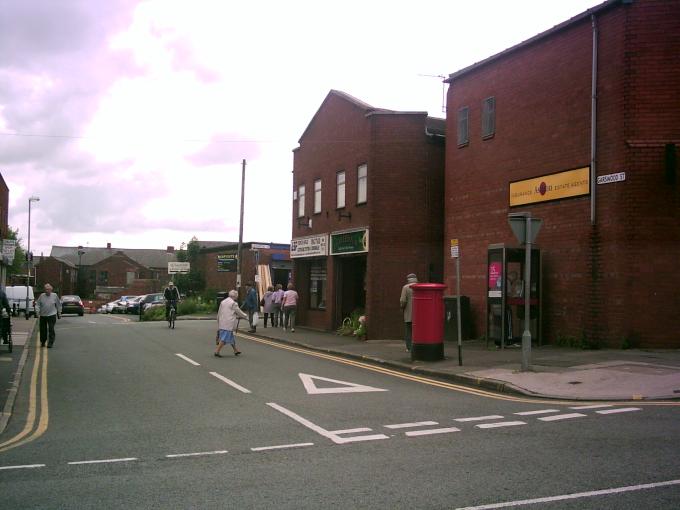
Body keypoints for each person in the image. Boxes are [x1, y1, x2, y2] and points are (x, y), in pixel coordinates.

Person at [215, 290, 248, 357]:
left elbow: (219, 312)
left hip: (222, 322)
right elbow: (239, 312)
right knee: (224, 339)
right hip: (228, 323)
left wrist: (218, 320)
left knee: (230, 337)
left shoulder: (223, 301)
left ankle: (235, 350)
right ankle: (217, 351)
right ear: (235, 296)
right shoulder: (233, 303)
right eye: (237, 296)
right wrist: (245, 316)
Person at [36, 283, 62, 348]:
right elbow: (38, 304)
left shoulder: (55, 296)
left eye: (48, 289)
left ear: (51, 290)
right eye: (46, 289)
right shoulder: (42, 296)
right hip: (43, 315)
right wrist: (37, 311)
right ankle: (43, 341)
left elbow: (58, 305)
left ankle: (50, 343)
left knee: (51, 329)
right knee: (43, 330)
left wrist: (59, 313)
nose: (47, 291)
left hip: (52, 315)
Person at [399, 273, 418, 352]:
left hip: (409, 313)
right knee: (417, 331)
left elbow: (403, 300)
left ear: (408, 279)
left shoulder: (406, 287)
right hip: (419, 313)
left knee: (408, 331)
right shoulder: (419, 286)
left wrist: (402, 307)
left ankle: (409, 347)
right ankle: (417, 346)